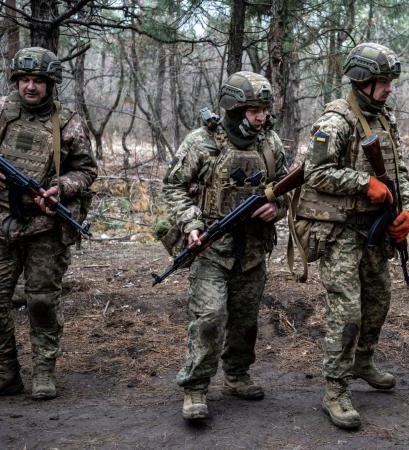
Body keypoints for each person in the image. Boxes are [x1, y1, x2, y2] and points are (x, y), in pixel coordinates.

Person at [294, 42, 409, 429]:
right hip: (340, 232)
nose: (389, 88)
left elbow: (399, 175)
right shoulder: (336, 120)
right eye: (383, 82)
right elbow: (314, 173)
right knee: (347, 311)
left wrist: (408, 208)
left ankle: (363, 361)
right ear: (362, 81)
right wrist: (364, 183)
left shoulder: (384, 119)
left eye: (390, 82)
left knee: (379, 301)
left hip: (374, 231)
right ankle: (336, 389)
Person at [0, 47, 97, 401]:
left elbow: (86, 171)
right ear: (16, 81)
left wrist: (59, 188)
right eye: (24, 79)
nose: (31, 87)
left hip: (45, 227)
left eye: (38, 80)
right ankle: (4, 372)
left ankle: (43, 371)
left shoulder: (68, 122)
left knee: (42, 302)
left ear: (51, 84)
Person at [162, 71, 288, 420]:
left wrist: (276, 208)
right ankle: (196, 387)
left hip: (252, 250)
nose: (261, 116)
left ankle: (236, 375)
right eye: (253, 109)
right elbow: (172, 187)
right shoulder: (201, 143)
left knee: (246, 319)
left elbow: (289, 189)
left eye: (264, 109)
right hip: (210, 247)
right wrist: (191, 224)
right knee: (210, 317)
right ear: (234, 109)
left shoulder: (271, 144)